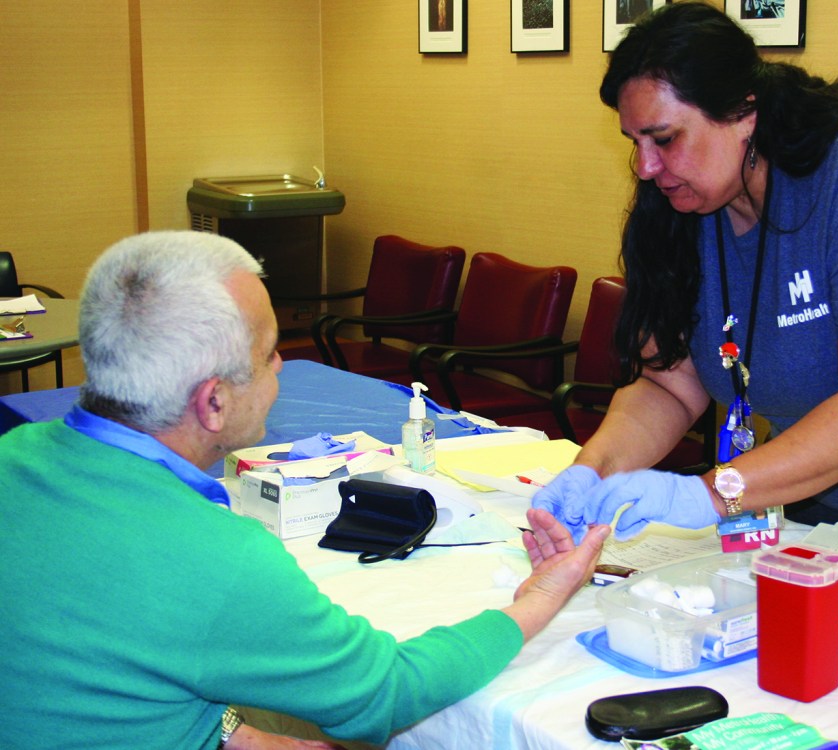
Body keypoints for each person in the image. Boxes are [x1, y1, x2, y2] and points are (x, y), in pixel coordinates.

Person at [0, 231, 609, 750]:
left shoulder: (14, 456)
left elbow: (94, 663)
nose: (282, 368)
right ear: (213, 402)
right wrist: (540, 596)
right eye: (269, 355)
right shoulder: (215, 556)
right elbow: (387, 693)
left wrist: (229, 730)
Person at [532, 2, 838, 597]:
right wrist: (592, 469)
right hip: (826, 504)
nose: (645, 167)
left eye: (664, 138)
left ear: (745, 112)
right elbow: (669, 382)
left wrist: (709, 492)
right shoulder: (686, 203)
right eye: (635, 142)